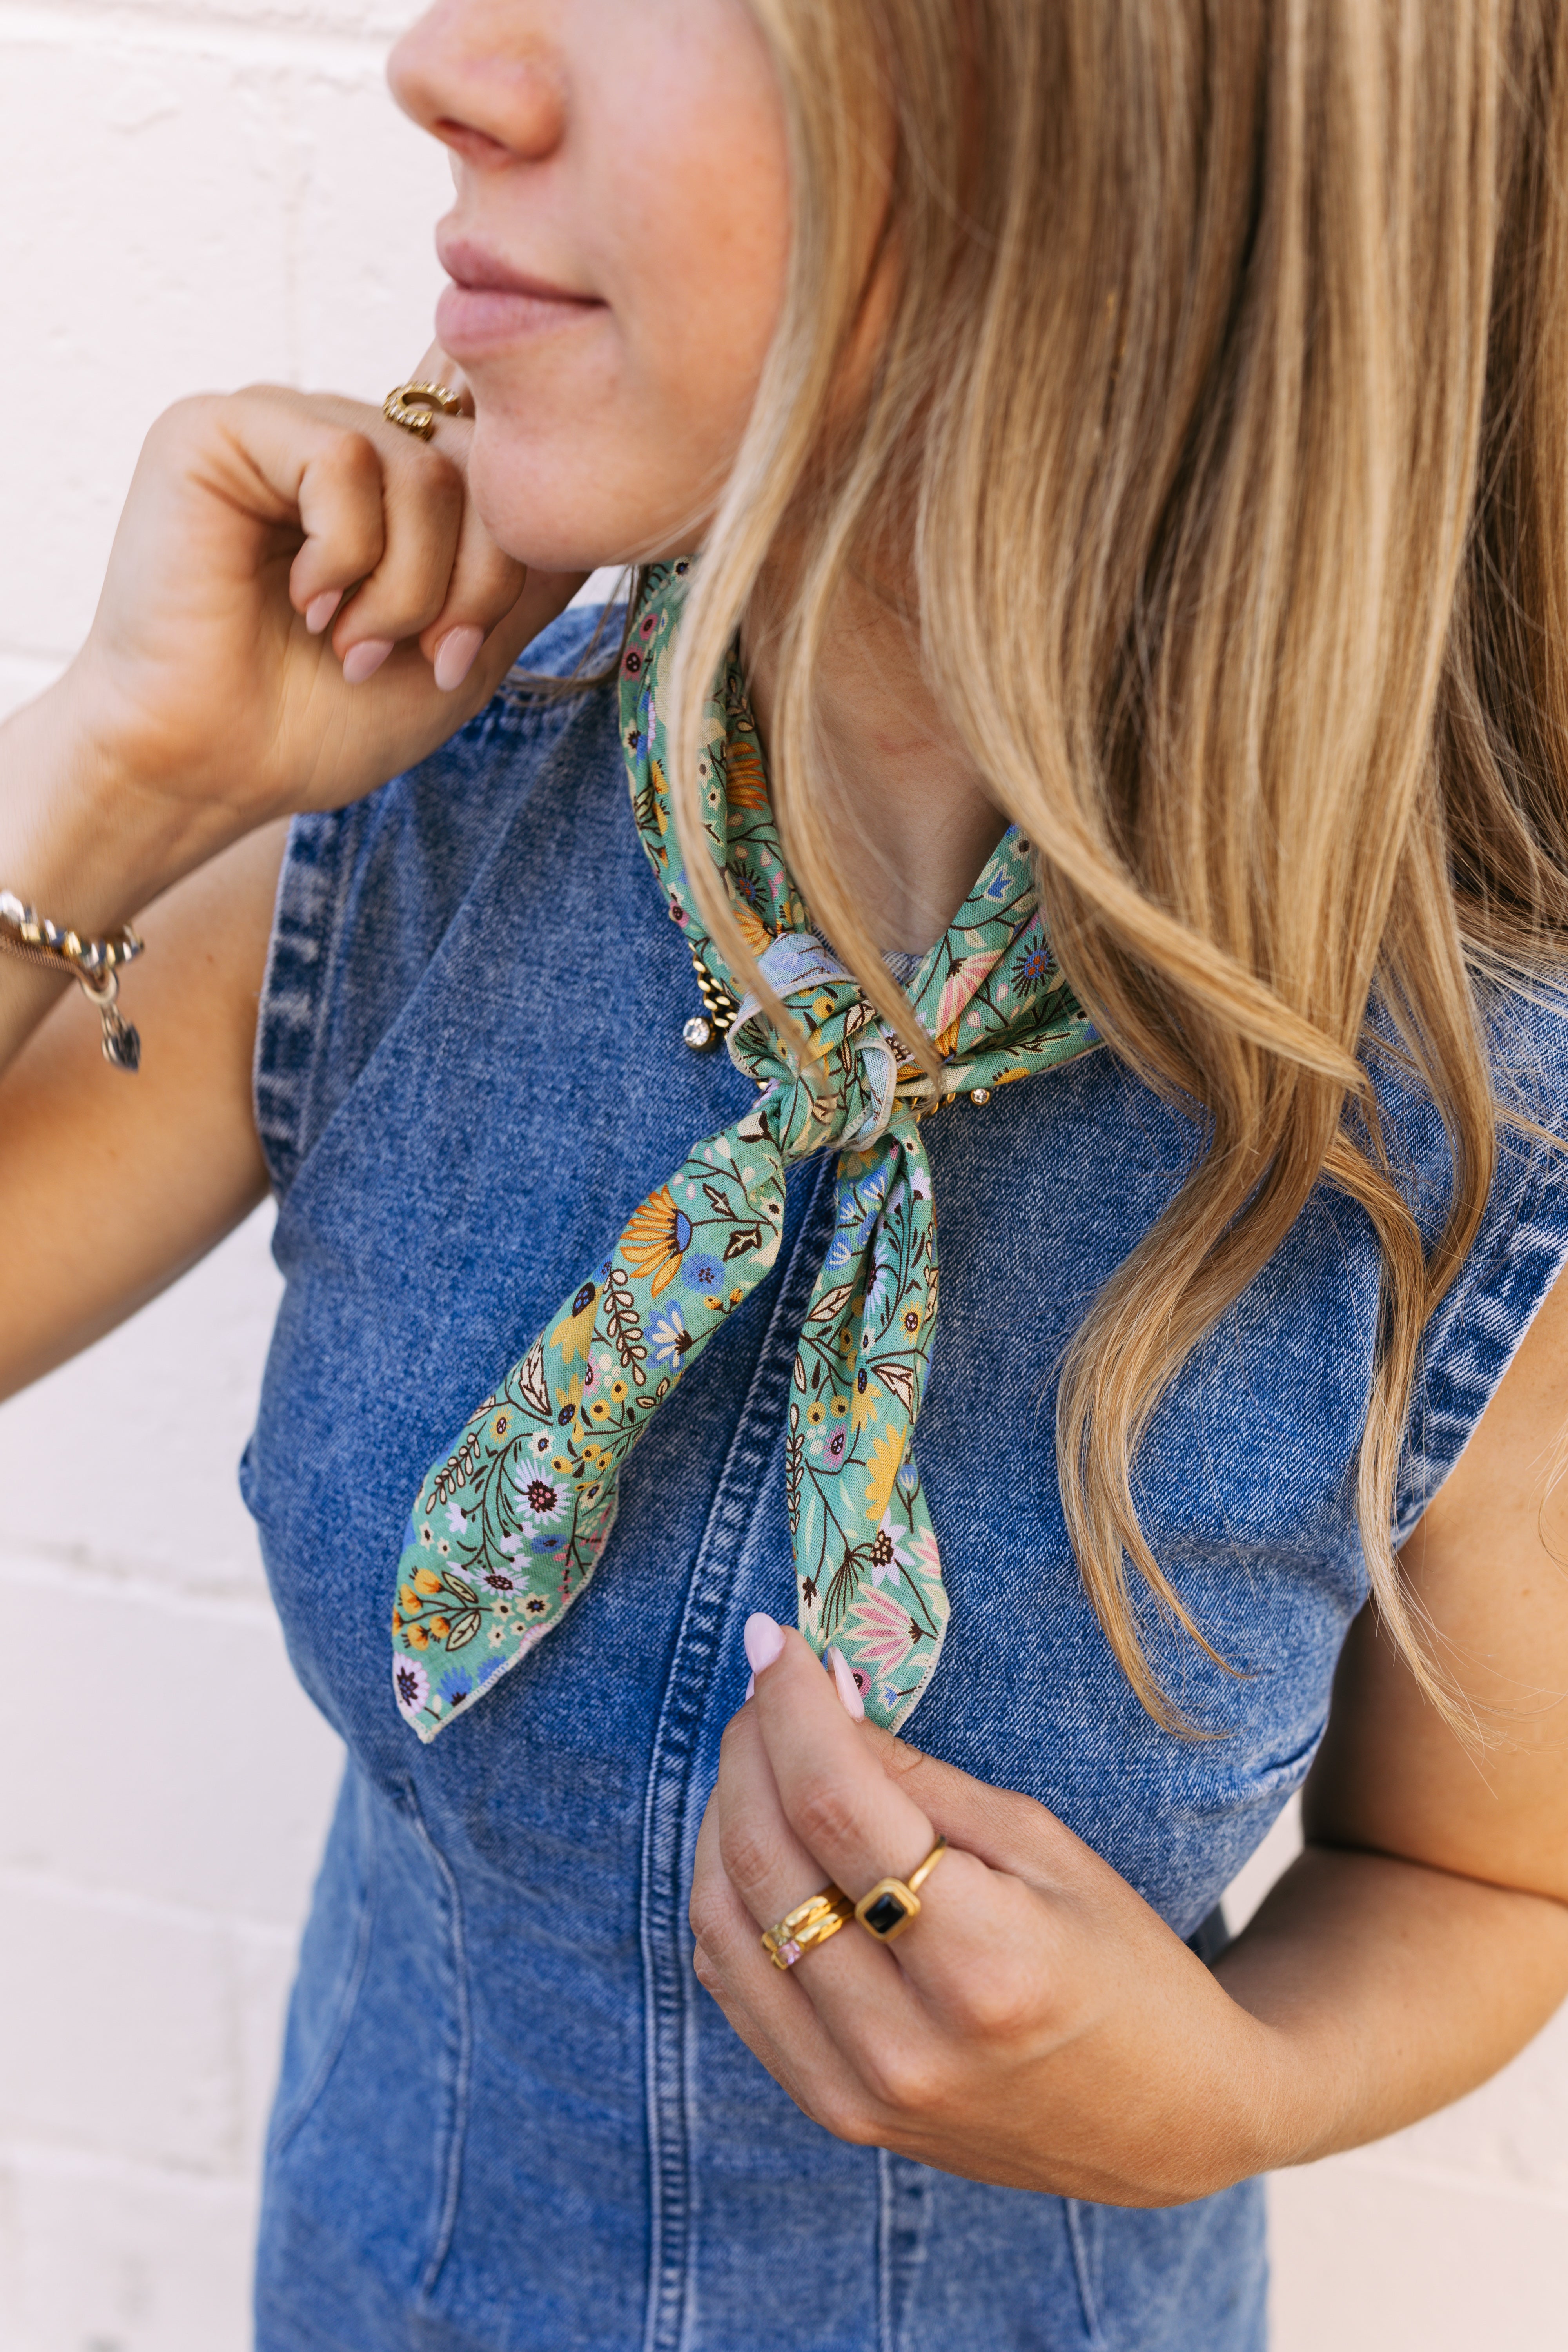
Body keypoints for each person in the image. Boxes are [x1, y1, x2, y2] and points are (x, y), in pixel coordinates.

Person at [4, 2, 1568, 2345]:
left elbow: (1493, 1882)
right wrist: (108, 774)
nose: (447, 63)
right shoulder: (403, 817)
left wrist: (1219, 2096)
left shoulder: (1472, 1111)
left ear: (1125, 137)